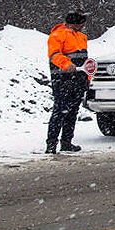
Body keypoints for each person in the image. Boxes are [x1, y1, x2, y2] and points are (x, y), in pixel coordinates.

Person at [46, 10, 90, 154]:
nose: (84, 25)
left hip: (78, 80)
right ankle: (51, 144)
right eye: (82, 23)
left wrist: (87, 78)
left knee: (72, 112)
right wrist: (67, 65)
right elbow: (54, 54)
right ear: (76, 23)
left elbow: (84, 61)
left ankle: (66, 142)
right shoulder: (58, 34)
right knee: (60, 111)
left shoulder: (82, 37)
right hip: (63, 80)